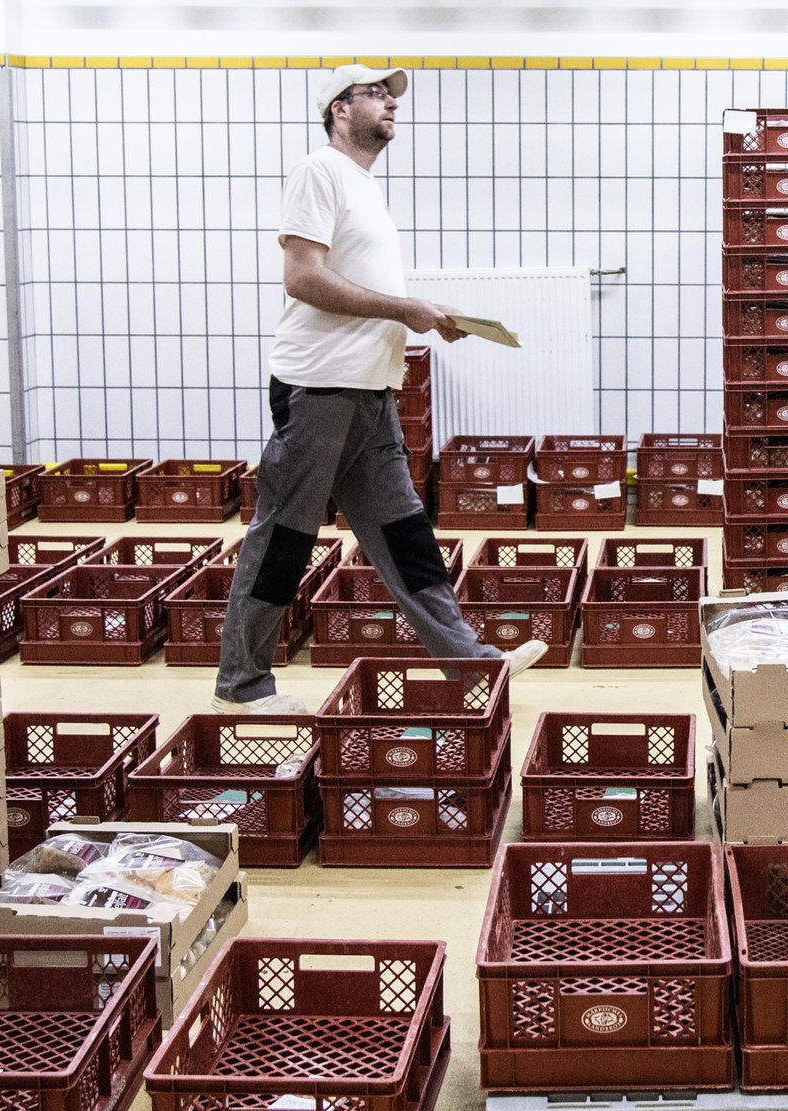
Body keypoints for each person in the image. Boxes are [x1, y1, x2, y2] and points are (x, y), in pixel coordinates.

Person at [214, 63, 545, 712]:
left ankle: (468, 664)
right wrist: (402, 309)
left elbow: (360, 286)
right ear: (339, 109)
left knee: (405, 534)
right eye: (376, 94)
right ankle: (243, 683)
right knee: (284, 535)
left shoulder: (364, 187)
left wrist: (424, 316)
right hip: (319, 388)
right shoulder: (319, 171)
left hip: (369, 391)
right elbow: (303, 279)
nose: (391, 104)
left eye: (391, 96)